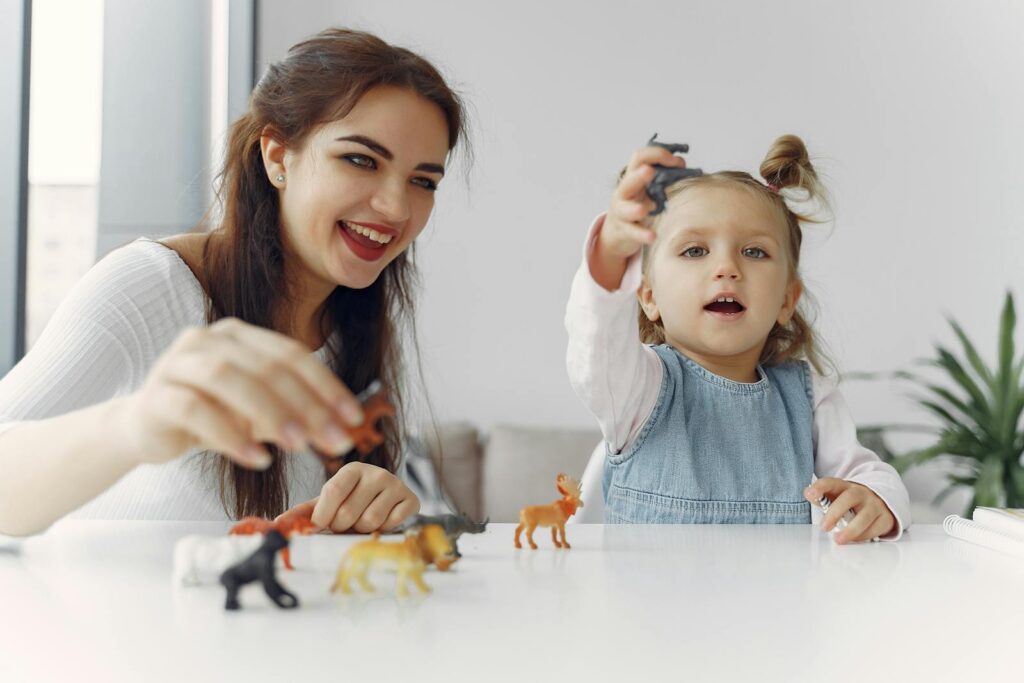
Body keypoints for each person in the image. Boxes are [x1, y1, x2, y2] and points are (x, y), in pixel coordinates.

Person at [0, 28, 468, 537]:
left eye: (423, 181)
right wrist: (137, 424)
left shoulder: (355, 321)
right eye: (360, 159)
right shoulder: (152, 285)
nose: (397, 208)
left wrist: (374, 505)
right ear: (276, 155)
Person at [565, 135, 911, 542]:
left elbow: (867, 473)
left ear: (786, 300)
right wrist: (609, 253)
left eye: (754, 252)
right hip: (650, 604)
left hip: (775, 603)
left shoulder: (809, 397)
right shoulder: (637, 388)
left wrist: (877, 499)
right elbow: (597, 339)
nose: (727, 267)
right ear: (649, 295)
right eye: (695, 251)